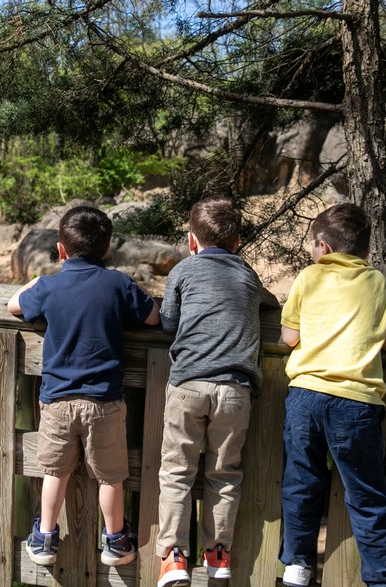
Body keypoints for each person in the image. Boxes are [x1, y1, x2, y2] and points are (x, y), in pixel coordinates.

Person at [7, 205, 161, 567]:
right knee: (111, 477)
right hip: (104, 401)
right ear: (107, 249)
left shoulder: (48, 286)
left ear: (61, 249)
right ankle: (117, 541)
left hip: (57, 401)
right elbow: (153, 317)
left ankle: (45, 536)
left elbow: (14, 305)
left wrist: (35, 281)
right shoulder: (118, 284)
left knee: (55, 471)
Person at [278, 203, 386, 587]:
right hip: (357, 400)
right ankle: (382, 579)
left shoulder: (309, 278)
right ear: (365, 251)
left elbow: (289, 337)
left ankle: (298, 568)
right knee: (366, 495)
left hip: (307, 395)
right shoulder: (380, 283)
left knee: (301, 482)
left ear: (323, 247)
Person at [155, 197, 266, 586]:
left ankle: (173, 557)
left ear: (191, 240)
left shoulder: (183, 271)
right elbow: (262, 304)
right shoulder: (249, 276)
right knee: (225, 473)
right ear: (237, 243)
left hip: (188, 383)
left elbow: (169, 323)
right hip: (235, 389)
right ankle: (217, 554)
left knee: (176, 472)